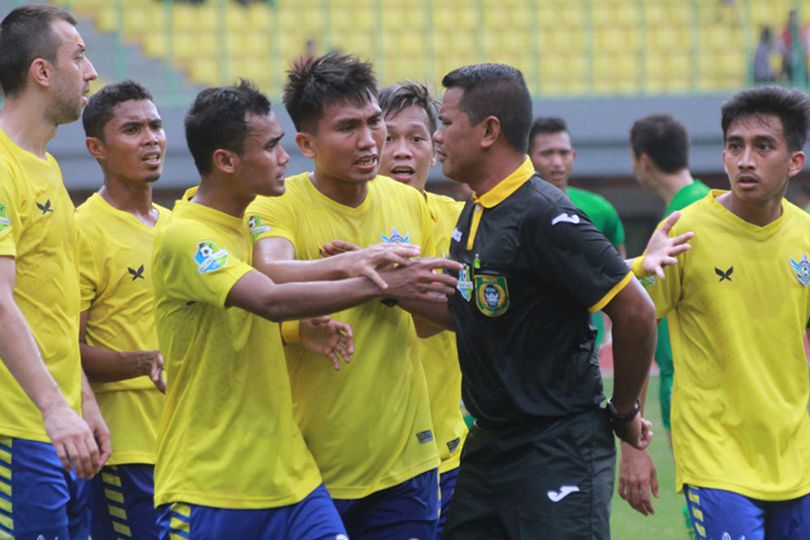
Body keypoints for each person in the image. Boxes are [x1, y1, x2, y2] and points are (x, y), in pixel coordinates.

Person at [151, 80, 456, 537]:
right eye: (273, 146)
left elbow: (438, 318)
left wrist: (302, 326)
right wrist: (367, 274)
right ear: (226, 160)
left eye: (376, 123)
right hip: (208, 482)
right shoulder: (190, 235)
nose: (282, 157)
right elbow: (270, 296)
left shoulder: (242, 227)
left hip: (298, 479)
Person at [422, 63, 656, 539]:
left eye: (445, 123)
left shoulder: (545, 215)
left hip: (558, 446)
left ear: (489, 131)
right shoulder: (473, 213)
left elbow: (636, 310)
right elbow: (468, 314)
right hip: (489, 444)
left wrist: (625, 410)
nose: (436, 136)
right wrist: (385, 287)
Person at [245, 53, 448, 538]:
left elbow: (439, 316)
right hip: (309, 466)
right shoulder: (278, 203)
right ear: (307, 143)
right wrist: (353, 265)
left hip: (406, 464)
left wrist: (396, 288)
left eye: (374, 122)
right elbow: (268, 274)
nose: (369, 140)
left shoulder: (407, 202)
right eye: (348, 128)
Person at [632, 85, 810, 539]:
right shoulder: (685, 231)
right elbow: (632, 321)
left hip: (796, 458)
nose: (745, 159)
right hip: (715, 458)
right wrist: (630, 438)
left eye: (763, 146)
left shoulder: (806, 236)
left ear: (795, 161)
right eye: (735, 146)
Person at [0, 5, 109, 537]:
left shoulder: (48, 166)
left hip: (57, 428)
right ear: (41, 72)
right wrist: (53, 408)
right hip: (16, 428)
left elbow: (52, 306)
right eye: (79, 56)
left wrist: (82, 402)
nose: (91, 72)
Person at [76, 80, 169, 538]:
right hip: (126, 451)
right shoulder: (82, 231)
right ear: (97, 147)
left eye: (155, 125)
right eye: (133, 129)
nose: (151, 138)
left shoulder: (177, 228)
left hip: (185, 447)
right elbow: (63, 350)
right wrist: (145, 361)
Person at [378, 80, 468, 536]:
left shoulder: (463, 221)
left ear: (435, 149)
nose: (402, 152)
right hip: (363, 462)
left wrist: (630, 266)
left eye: (416, 138)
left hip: (447, 452)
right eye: (389, 137)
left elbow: (535, 278)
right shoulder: (333, 219)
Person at [619, 113, 712, 518]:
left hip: (694, 394)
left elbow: (641, 325)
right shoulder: (711, 202)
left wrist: (631, 438)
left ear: (642, 161)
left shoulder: (679, 224)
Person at [528, 116, 626, 354]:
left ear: (574, 155)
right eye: (547, 153)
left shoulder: (600, 210)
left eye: (564, 153)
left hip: (586, 341)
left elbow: (619, 272)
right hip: (532, 339)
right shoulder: (514, 211)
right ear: (528, 158)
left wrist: (610, 328)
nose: (557, 162)